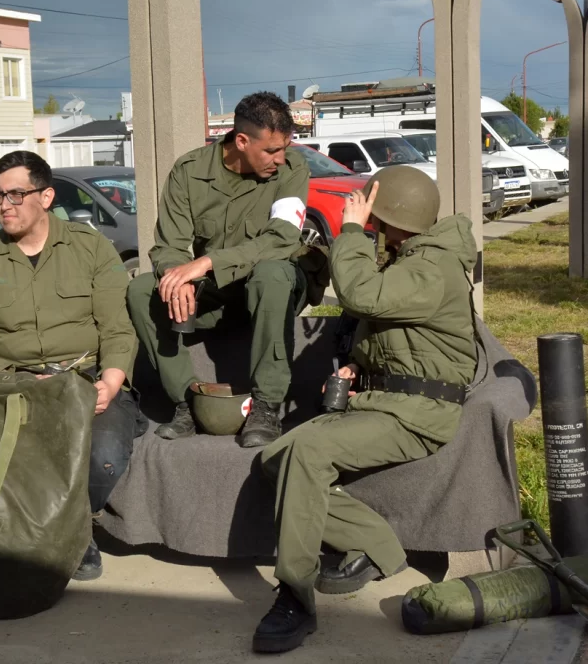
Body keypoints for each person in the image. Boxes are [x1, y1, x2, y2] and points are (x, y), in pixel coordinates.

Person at [252, 166, 478, 653]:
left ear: (390, 217)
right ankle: (378, 545)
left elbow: (361, 294)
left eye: (375, 218)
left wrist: (350, 231)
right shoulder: (412, 258)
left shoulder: (430, 268)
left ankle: (294, 594)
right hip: (388, 400)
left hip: (420, 412)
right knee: (275, 459)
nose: (371, 225)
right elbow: (399, 334)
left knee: (307, 454)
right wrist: (359, 364)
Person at [0, 151, 146, 582]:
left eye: (17, 194)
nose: (5, 204)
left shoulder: (90, 247)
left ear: (47, 195)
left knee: (105, 458)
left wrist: (112, 383)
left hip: (85, 382)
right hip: (11, 386)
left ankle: (74, 530)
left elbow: (117, 327)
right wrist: (17, 383)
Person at [127, 92, 309, 447]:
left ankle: (267, 405)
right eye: (271, 150)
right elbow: (168, 245)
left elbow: (284, 238)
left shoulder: (292, 169)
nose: (280, 158)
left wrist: (207, 262)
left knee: (272, 272)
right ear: (241, 141)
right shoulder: (189, 171)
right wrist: (174, 275)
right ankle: (187, 402)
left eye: (284, 147)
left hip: (271, 291)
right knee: (141, 289)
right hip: (214, 295)